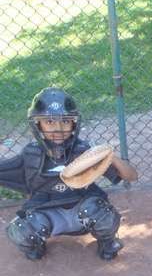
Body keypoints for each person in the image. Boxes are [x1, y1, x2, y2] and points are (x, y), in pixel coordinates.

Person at [0, 87, 138, 260]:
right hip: (47, 214)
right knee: (21, 230)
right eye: (49, 122)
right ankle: (36, 244)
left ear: (74, 123)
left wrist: (111, 156)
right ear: (37, 124)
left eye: (65, 121)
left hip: (82, 212)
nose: (58, 128)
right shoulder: (31, 155)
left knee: (101, 213)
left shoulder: (85, 152)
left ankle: (107, 242)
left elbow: (132, 177)